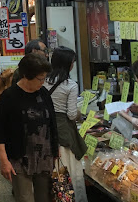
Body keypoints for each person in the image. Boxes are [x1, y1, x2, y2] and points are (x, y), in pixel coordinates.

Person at [0, 54, 58, 202]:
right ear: (26, 75)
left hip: (44, 157)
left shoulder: (44, 93)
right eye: (40, 78)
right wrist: (4, 160)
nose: (42, 82)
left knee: (45, 198)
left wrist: (55, 150)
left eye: (44, 78)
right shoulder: (9, 96)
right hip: (19, 157)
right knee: (24, 198)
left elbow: (52, 123)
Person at [43, 47, 87, 202]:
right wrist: (80, 114)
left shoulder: (43, 81)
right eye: (73, 62)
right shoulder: (71, 85)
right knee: (68, 170)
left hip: (45, 130)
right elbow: (71, 114)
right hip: (63, 131)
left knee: (52, 170)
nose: (73, 65)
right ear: (68, 64)